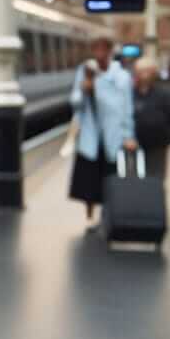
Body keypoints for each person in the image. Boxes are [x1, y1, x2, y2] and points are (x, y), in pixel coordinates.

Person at [69, 35, 137, 226]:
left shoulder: (122, 78)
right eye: (95, 49)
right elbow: (75, 104)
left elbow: (126, 109)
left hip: (113, 136)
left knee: (111, 178)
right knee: (89, 180)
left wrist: (128, 136)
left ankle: (108, 214)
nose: (99, 54)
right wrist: (84, 89)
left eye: (103, 50)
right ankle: (90, 216)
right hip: (91, 137)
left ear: (109, 52)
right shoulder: (84, 73)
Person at [131, 56, 170, 179]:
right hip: (134, 146)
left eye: (148, 71)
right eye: (141, 71)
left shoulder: (164, 93)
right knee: (135, 181)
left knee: (156, 181)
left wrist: (167, 139)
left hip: (158, 147)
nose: (144, 75)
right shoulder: (130, 94)